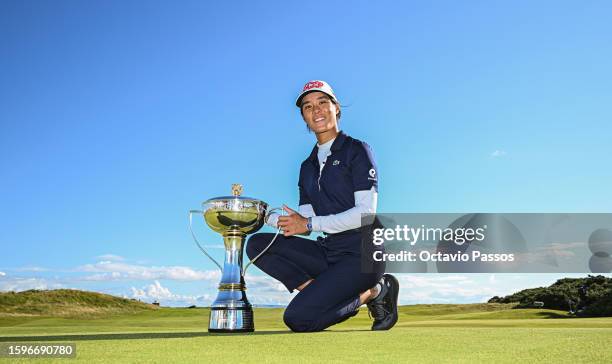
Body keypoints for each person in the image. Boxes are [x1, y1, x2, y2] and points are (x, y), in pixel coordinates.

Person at [246, 80, 399, 332]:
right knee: (258, 245)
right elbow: (304, 224)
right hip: (330, 252)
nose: (316, 110)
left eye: (322, 103)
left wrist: (307, 223)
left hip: (363, 255)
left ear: (336, 108)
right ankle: (317, 291)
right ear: (304, 117)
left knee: (297, 319)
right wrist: (266, 217)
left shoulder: (357, 150)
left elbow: (364, 214)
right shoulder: (307, 166)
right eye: (308, 107)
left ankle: (374, 291)